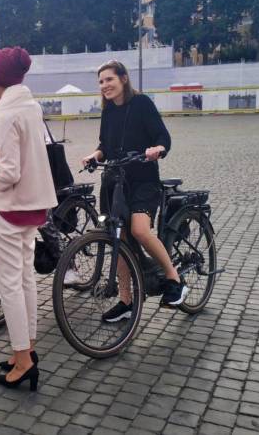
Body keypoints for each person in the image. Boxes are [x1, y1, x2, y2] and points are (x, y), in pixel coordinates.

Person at [0, 47, 57, 391]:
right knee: (24, 280)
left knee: (10, 285)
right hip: (33, 204)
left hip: (9, 207)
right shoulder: (30, 105)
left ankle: (22, 360)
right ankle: (28, 349)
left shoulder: (5, 114)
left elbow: (7, 172)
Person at [82, 60, 188, 323]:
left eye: (109, 79)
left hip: (143, 181)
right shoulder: (108, 112)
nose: (105, 85)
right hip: (115, 183)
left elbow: (163, 137)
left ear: (124, 79)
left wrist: (157, 150)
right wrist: (94, 156)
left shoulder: (142, 104)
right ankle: (127, 301)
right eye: (101, 81)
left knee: (139, 230)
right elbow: (104, 145)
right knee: (119, 239)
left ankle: (174, 279)